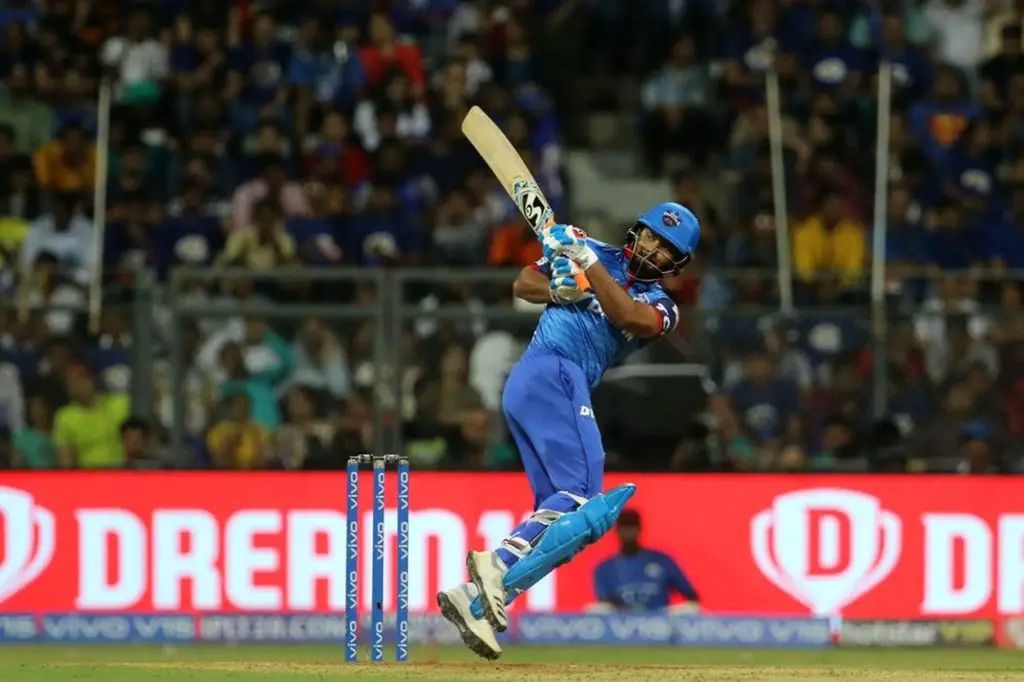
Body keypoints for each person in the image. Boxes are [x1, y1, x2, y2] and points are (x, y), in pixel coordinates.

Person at [436, 202, 700, 659]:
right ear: (636, 231)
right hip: (551, 368)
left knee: (566, 520)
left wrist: (584, 266)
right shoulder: (589, 249)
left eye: (665, 249)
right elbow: (524, 283)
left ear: (676, 264)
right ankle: (495, 563)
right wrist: (558, 290)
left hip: (548, 384)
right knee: (581, 497)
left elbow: (630, 317)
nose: (653, 248)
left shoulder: (662, 305)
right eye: (651, 236)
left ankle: (474, 600)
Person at [590, 509, 700, 612]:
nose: (628, 532)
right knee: (595, 609)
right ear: (617, 530)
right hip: (620, 621)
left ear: (639, 528)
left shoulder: (662, 561)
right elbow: (606, 602)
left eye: (632, 527)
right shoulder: (605, 569)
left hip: (660, 620)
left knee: (692, 609)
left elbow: (692, 596)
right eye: (624, 527)